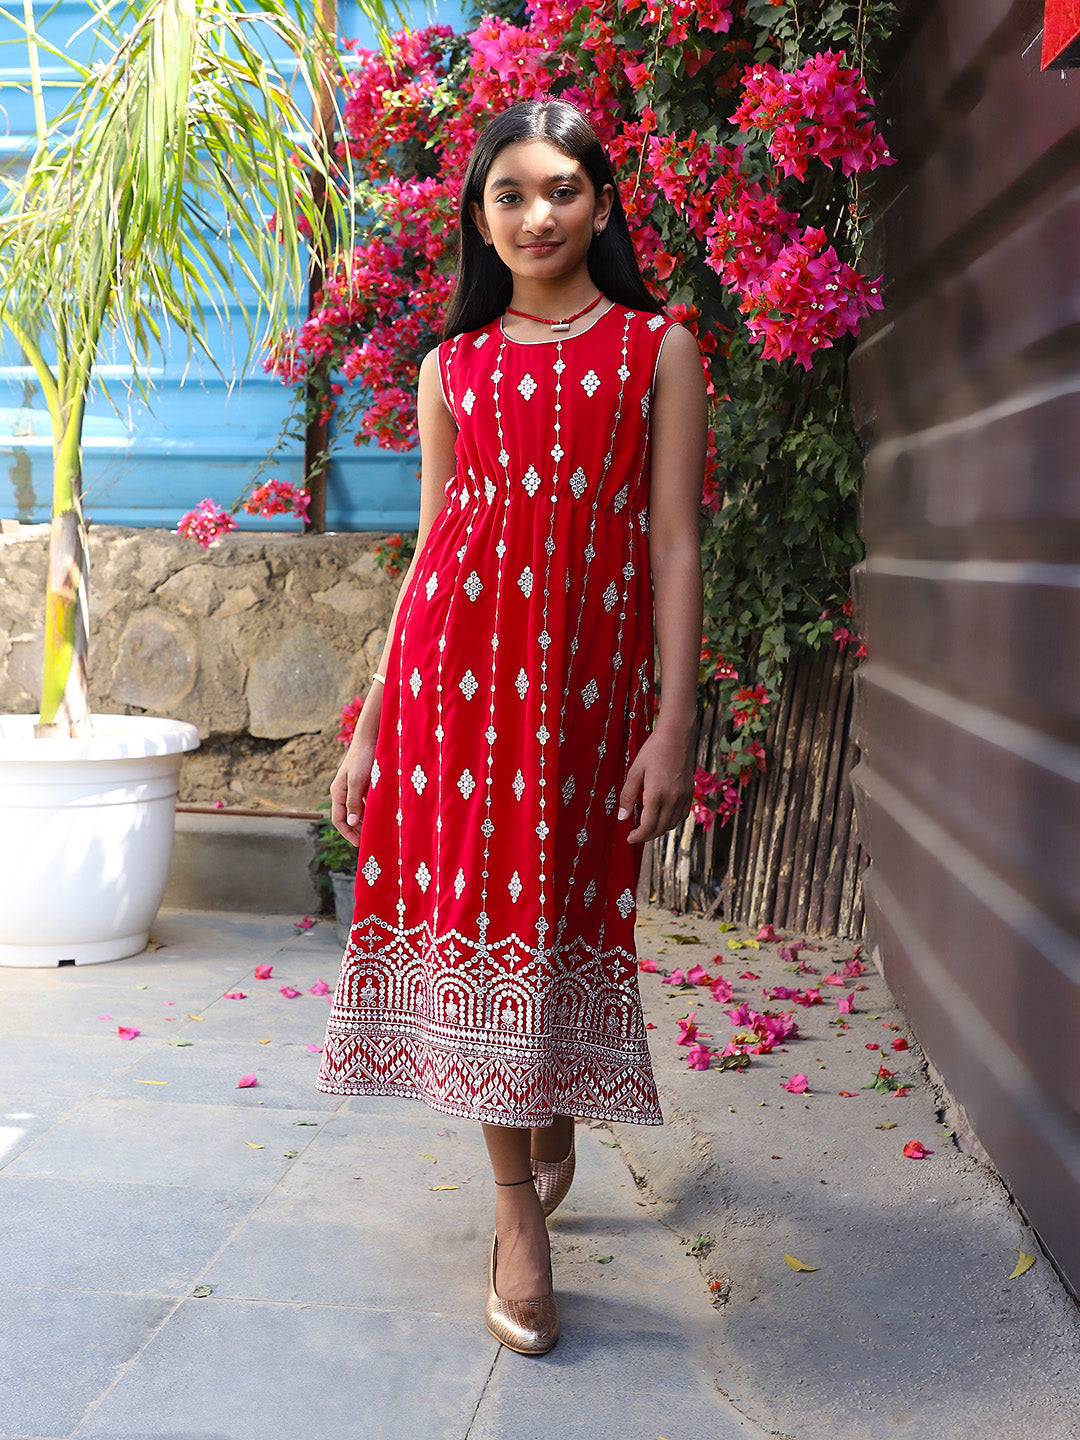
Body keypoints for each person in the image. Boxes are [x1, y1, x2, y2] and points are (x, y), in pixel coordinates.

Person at [318, 98, 706, 1355]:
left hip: (593, 691)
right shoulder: (452, 365)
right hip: (460, 686)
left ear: (600, 200)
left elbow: (675, 538)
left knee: (568, 902)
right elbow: (433, 547)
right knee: (488, 914)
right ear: (480, 218)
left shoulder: (658, 350)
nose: (537, 216)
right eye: (510, 195)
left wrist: (675, 720)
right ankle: (513, 1219)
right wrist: (374, 730)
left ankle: (554, 1111)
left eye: (562, 190)